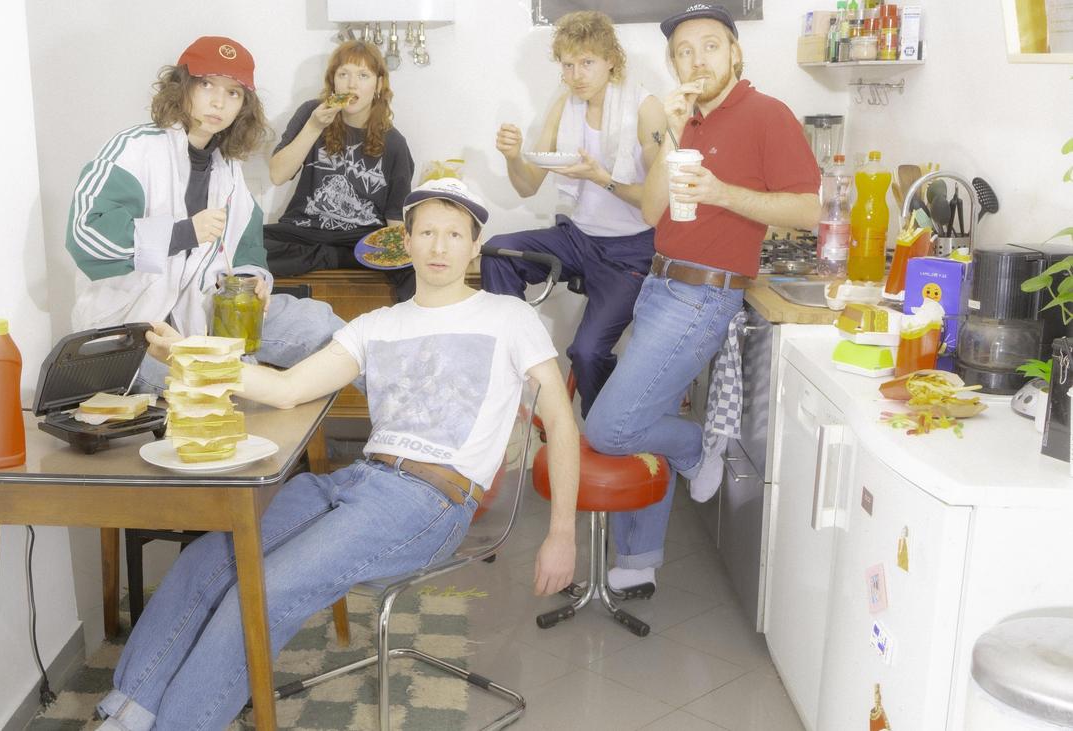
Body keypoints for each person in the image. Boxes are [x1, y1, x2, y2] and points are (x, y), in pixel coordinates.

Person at [95, 178, 580, 731]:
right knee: (207, 560)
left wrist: (561, 533)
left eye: (454, 235)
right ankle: (128, 713)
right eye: (427, 233)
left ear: (475, 247)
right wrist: (186, 353)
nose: (439, 246)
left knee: (268, 588)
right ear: (406, 243)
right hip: (358, 480)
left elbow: (560, 422)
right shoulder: (375, 326)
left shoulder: (509, 317)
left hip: (431, 500)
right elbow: (287, 389)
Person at [584, 5, 821, 592]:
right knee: (647, 420)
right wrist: (668, 133)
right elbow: (651, 210)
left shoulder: (768, 114)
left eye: (711, 46)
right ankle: (638, 562)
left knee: (609, 429)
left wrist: (723, 194)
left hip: (701, 297)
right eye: (684, 51)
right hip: (659, 284)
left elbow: (809, 210)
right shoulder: (682, 121)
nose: (698, 60)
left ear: (735, 52)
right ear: (673, 63)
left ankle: (696, 445)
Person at [65, 36, 344, 384]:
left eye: (233, 92)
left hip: (202, 320)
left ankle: (402, 403)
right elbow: (86, 234)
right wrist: (183, 233)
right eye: (206, 84)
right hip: (133, 334)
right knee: (205, 385)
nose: (218, 102)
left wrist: (252, 279)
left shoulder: (228, 170)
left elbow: (246, 245)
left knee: (320, 326)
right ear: (181, 87)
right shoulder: (134, 151)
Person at [485, 10, 666, 417]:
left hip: (631, 251)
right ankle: (515, 355)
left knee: (586, 352)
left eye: (586, 63)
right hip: (577, 237)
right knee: (498, 251)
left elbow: (658, 202)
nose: (576, 75)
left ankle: (603, 431)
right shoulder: (563, 106)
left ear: (611, 60)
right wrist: (513, 157)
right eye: (567, 65)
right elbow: (528, 185)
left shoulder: (646, 109)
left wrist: (602, 178)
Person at [263, 40, 417, 302]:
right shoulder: (311, 113)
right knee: (245, 243)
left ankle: (333, 257)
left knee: (411, 263)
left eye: (363, 76)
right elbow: (277, 175)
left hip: (362, 238)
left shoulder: (394, 143)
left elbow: (395, 221)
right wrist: (314, 127)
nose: (351, 85)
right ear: (332, 81)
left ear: (378, 84)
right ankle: (335, 257)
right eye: (343, 74)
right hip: (305, 230)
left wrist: (403, 254)